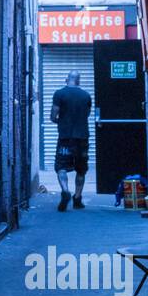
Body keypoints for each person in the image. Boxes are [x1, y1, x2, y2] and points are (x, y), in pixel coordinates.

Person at [51, 70, 92, 210]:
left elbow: (53, 115)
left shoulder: (59, 94)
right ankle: (77, 199)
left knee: (61, 166)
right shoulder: (86, 96)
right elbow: (86, 115)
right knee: (81, 170)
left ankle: (65, 190)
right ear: (79, 81)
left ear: (66, 79)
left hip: (65, 138)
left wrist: (61, 121)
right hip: (82, 138)